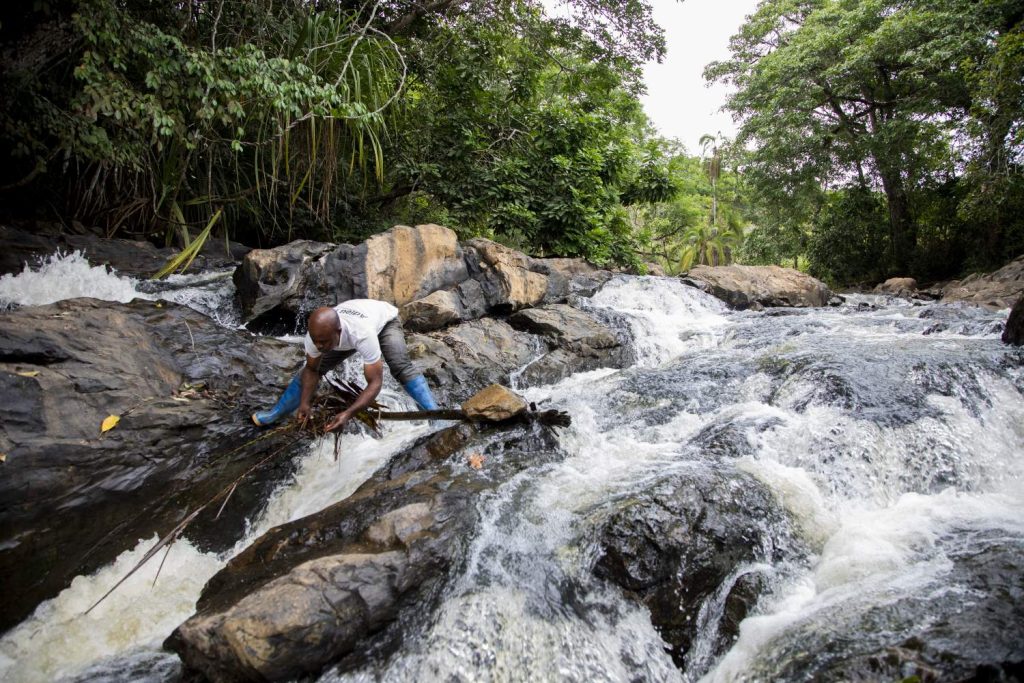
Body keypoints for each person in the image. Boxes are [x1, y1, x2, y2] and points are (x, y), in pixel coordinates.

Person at [252, 299, 438, 431]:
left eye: (322, 342)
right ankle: (275, 413)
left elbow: (375, 383)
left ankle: (435, 416)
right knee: (315, 366)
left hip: (385, 322)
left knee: (400, 367)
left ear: (338, 332)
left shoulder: (362, 334)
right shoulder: (317, 336)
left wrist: (349, 413)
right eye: (316, 341)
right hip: (349, 326)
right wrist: (304, 403)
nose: (318, 346)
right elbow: (311, 370)